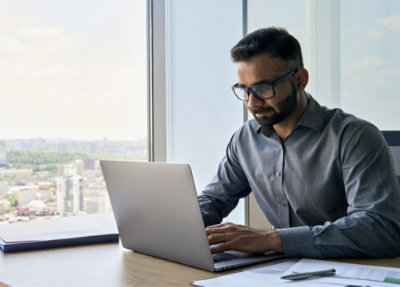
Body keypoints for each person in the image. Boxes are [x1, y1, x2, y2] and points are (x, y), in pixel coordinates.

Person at [198, 27, 400, 258]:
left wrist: (272, 239)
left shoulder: (355, 137)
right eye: (244, 90)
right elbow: (214, 199)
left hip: (353, 271)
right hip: (282, 270)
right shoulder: (245, 139)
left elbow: (379, 229)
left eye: (264, 88)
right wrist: (178, 224)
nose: (252, 103)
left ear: (300, 80)